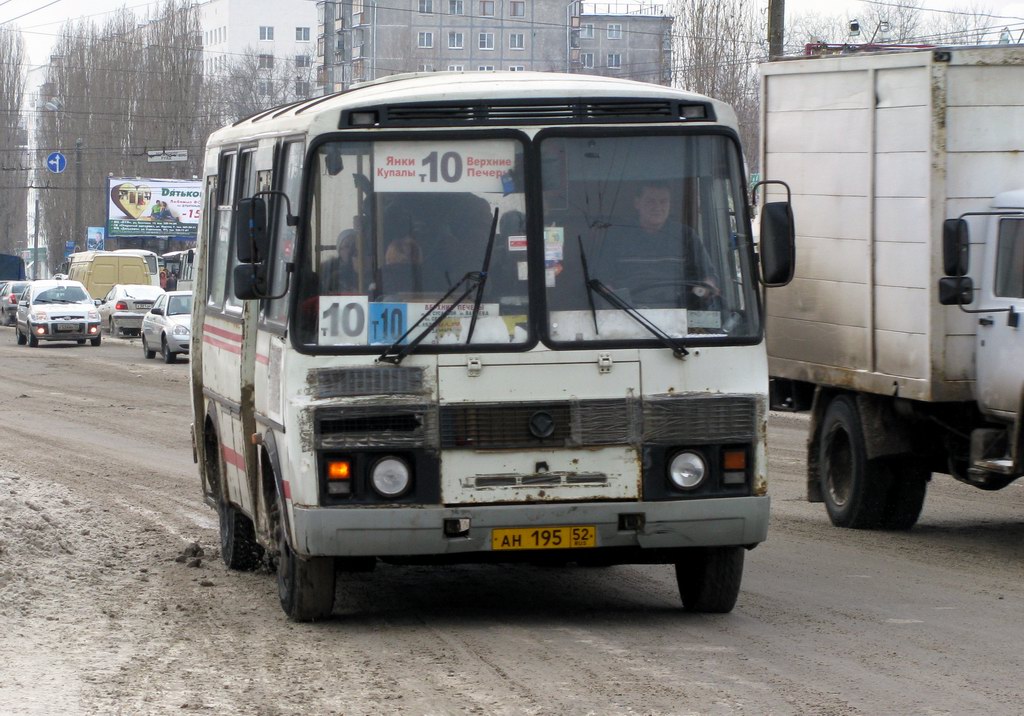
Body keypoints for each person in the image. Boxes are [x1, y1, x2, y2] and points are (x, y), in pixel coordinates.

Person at [594, 181, 718, 308]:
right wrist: (617, 304)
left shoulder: (686, 236)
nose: (657, 207)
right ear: (637, 203)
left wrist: (699, 293)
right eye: (650, 201)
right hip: (628, 314)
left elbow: (709, 278)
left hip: (678, 315)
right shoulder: (617, 236)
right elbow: (602, 281)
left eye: (663, 202)